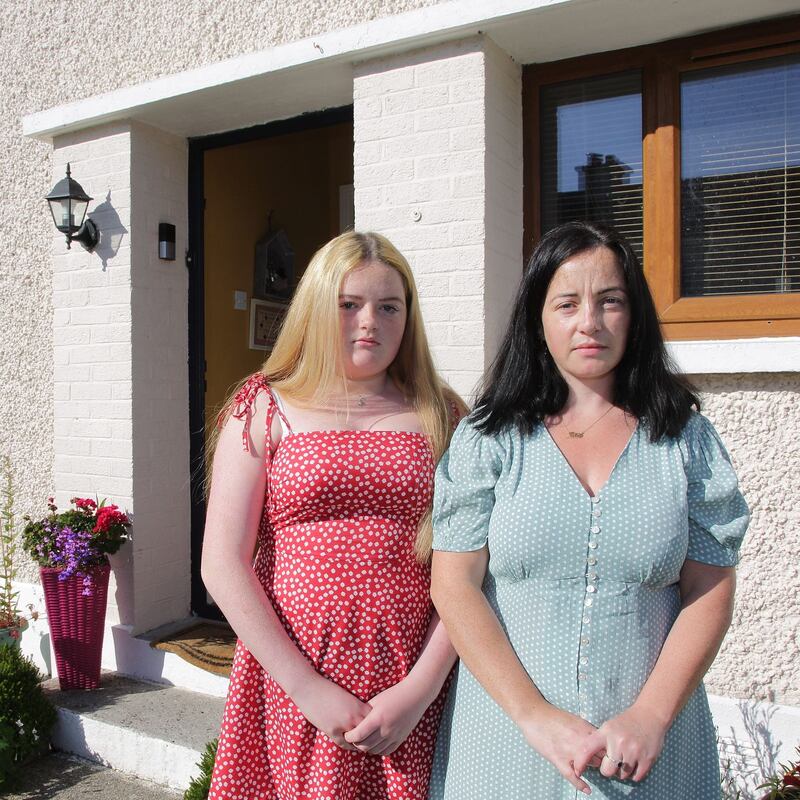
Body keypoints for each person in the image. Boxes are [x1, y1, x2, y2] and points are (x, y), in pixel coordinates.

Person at [428, 221, 749, 799]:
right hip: (507, 741)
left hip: (651, 753)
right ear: (538, 318)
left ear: (635, 315)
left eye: (610, 302)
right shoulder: (489, 438)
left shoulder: (686, 440)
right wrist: (534, 716)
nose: (589, 323)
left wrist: (651, 716)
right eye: (567, 303)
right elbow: (454, 585)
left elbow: (710, 587)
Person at [202, 230, 464, 800]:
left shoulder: (443, 414)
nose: (369, 321)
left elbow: (468, 568)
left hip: (415, 680)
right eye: (349, 304)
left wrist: (419, 689)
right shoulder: (264, 404)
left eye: (389, 306)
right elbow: (222, 564)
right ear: (318, 308)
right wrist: (307, 689)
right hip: (293, 680)